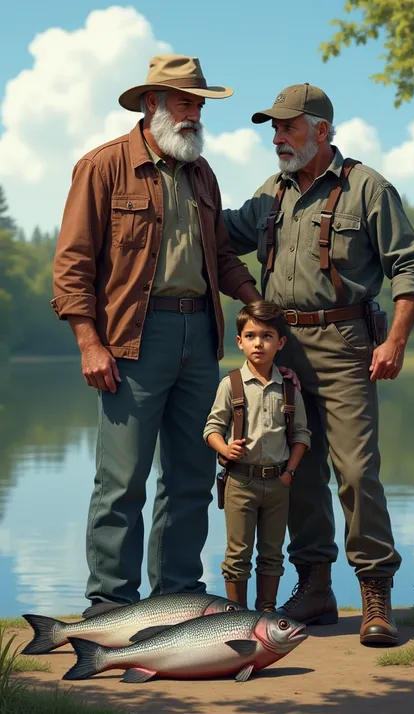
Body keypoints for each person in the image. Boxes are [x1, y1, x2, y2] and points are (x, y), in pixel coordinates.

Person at [222, 83, 414, 645]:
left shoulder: (368, 188)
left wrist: (396, 341)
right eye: (273, 128)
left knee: (357, 472)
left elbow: (411, 266)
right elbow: (218, 232)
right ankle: (314, 586)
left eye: (287, 126)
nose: (277, 137)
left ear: (321, 129)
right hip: (282, 348)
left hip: (346, 346)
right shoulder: (273, 193)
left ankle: (375, 594)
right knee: (299, 473)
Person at [51, 54, 262, 616]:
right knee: (122, 482)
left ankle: (177, 596)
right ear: (152, 105)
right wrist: (88, 342)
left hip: (202, 332)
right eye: (185, 103)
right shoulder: (102, 167)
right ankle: (109, 606)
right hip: (130, 340)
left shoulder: (203, 173)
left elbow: (220, 256)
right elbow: (71, 266)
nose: (194, 115)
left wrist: (253, 299)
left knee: (191, 475)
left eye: (199, 105)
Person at [203, 301, 311, 612]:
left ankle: (266, 615)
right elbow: (211, 427)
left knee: (272, 553)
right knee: (237, 554)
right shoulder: (230, 384)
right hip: (240, 482)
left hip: (278, 484)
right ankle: (235, 617)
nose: (258, 343)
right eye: (250, 336)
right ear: (239, 342)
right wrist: (224, 449)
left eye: (266, 336)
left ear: (281, 343)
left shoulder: (289, 388)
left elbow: (302, 434)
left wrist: (289, 471)